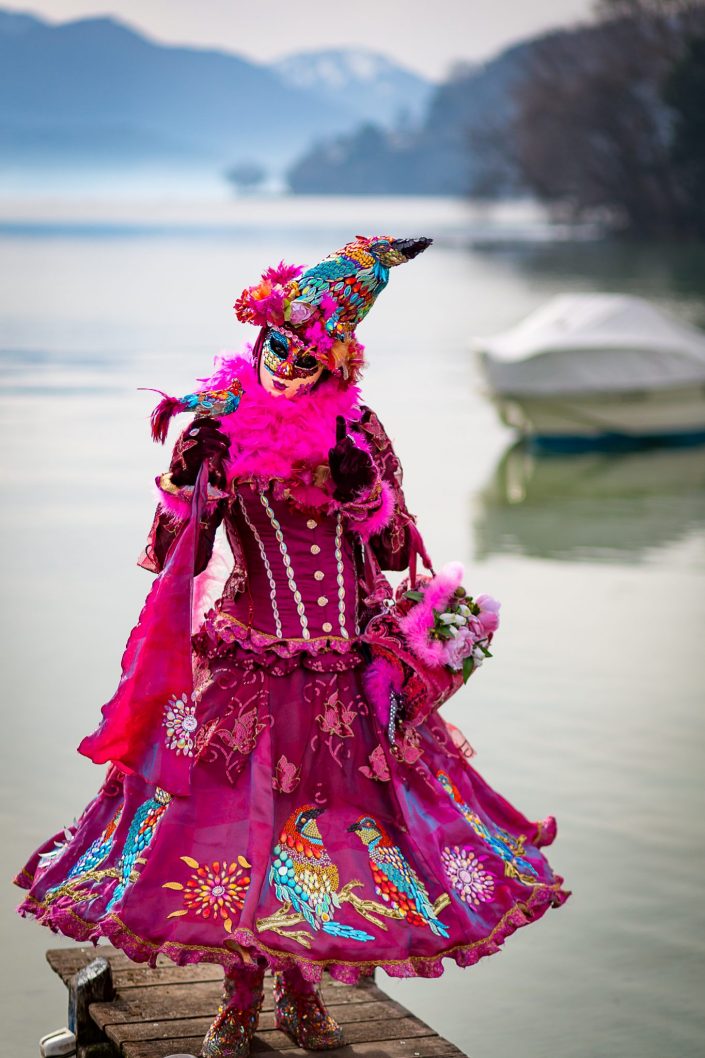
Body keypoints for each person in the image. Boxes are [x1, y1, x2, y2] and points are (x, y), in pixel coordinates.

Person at [13, 235, 569, 1057]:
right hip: (249, 664)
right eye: (278, 344)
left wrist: (364, 494)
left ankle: (304, 993)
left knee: (336, 827)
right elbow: (180, 556)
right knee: (241, 830)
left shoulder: (363, 430)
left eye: (308, 353)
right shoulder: (216, 427)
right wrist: (184, 486)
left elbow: (392, 554)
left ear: (338, 359)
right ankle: (240, 998)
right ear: (258, 336)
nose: (287, 363)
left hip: (350, 669)